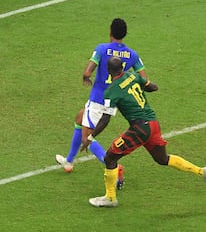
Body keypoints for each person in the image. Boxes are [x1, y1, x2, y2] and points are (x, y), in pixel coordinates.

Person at [81, 56, 206, 207]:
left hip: (140, 128)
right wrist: (143, 85)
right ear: (123, 67)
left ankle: (110, 198)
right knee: (162, 159)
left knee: (110, 158)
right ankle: (201, 171)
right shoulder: (133, 75)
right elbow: (152, 87)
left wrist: (91, 136)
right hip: (153, 124)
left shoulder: (111, 91)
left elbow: (105, 119)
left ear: (108, 70)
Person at [55, 18, 148, 188]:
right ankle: (69, 162)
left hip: (97, 99)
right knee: (79, 118)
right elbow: (144, 79)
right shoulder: (133, 55)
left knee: (87, 138)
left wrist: (86, 76)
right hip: (113, 100)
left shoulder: (102, 49)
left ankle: (114, 167)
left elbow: (88, 70)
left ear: (110, 32)